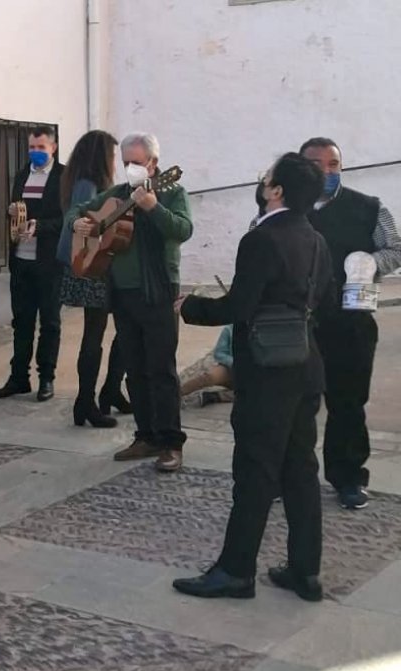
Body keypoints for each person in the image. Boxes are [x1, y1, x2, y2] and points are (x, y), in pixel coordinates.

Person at [172, 152, 332, 602]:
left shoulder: (261, 239)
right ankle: (306, 570)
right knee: (300, 469)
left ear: (276, 190)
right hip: (305, 365)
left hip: (267, 371)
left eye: (267, 177)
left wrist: (191, 307)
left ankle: (235, 570)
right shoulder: (316, 240)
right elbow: (324, 297)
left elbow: (240, 307)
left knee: (256, 470)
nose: (262, 181)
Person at [66, 132, 193, 472]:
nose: (132, 169)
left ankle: (170, 442)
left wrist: (154, 208)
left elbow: (183, 230)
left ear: (154, 163)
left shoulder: (171, 191)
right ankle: (146, 435)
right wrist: (79, 223)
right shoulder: (119, 194)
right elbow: (78, 211)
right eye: (126, 163)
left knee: (161, 369)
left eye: (138, 162)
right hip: (122, 292)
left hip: (158, 290)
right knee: (134, 368)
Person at [301, 137, 401, 510]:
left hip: (351, 322)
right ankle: (291, 475)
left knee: (347, 403)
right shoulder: (282, 206)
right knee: (295, 406)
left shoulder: (368, 208)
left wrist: (370, 264)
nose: (326, 171)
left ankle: (348, 478)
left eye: (333, 164)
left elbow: (395, 247)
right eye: (317, 164)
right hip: (300, 324)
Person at [51, 130, 130, 428]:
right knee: (94, 336)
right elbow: (85, 228)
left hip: (98, 266)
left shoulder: (88, 182)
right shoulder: (88, 184)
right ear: (100, 157)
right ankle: (86, 401)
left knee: (116, 330)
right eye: (111, 155)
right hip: (91, 267)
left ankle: (109, 391)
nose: (114, 161)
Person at [0, 126, 65, 402]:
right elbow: (16, 209)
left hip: (49, 262)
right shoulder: (23, 174)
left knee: (50, 322)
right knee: (22, 321)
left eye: (41, 148)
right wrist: (11, 211)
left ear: (53, 148)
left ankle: (47, 378)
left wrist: (41, 226)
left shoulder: (62, 176)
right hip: (21, 260)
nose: (35, 152)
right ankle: (19, 377)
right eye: (32, 148)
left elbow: (66, 218)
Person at [180, 325, 234, 405]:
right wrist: (234, 362)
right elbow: (219, 353)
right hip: (230, 368)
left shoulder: (258, 329)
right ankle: (178, 393)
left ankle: (216, 396)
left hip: (252, 373)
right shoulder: (229, 329)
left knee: (252, 393)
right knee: (208, 377)